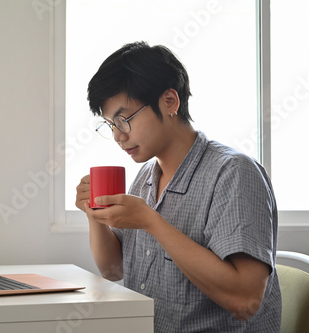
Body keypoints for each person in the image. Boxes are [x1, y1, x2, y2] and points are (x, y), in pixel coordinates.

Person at [75, 41, 281, 332]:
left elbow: (246, 299)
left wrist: (151, 221)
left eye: (124, 119)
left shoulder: (233, 173)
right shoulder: (146, 177)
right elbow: (114, 270)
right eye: (110, 125)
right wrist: (94, 215)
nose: (118, 136)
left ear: (170, 101)